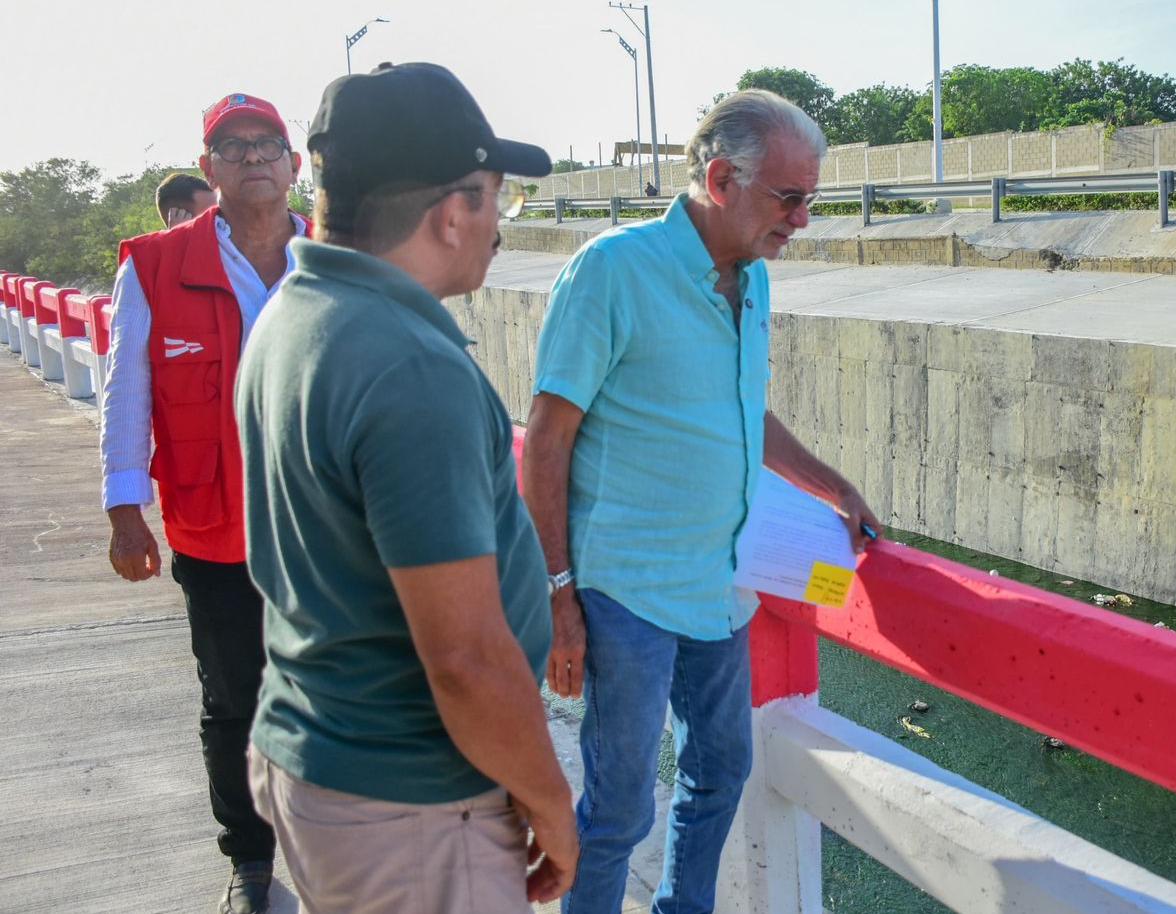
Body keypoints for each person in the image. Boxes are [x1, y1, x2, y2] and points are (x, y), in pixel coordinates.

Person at [523, 88, 880, 914]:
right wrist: (558, 597)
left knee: (721, 771)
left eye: (810, 201)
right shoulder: (612, 270)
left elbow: (740, 406)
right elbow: (546, 440)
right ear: (722, 179)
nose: (802, 219)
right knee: (617, 809)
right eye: (790, 199)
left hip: (721, 589)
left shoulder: (752, 280)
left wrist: (831, 484)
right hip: (626, 590)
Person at [236, 62, 576, 914]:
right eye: (501, 198)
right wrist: (551, 801)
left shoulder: (294, 313)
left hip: (320, 757)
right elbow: (464, 657)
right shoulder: (409, 367)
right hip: (410, 807)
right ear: (453, 210)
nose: (500, 223)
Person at [100, 91, 307, 914]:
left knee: (338, 690)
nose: (254, 159)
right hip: (214, 530)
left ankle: (330, 847)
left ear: (294, 165)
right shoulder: (154, 264)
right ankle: (251, 864)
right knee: (233, 701)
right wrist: (125, 508)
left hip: (324, 533)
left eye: (269, 146)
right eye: (236, 148)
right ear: (209, 169)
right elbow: (127, 390)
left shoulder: (335, 257)